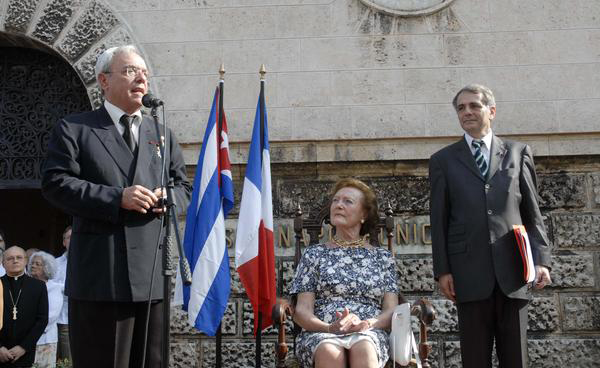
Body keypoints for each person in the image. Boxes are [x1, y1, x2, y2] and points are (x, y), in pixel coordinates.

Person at [41, 45, 192, 368]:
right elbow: (56, 184)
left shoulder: (161, 133)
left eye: (144, 73)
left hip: (151, 275)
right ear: (104, 80)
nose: (141, 78)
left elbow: (183, 188)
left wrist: (168, 196)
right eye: (130, 71)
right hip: (102, 276)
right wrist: (116, 198)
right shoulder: (76, 129)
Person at [429, 84, 552, 368]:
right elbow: (439, 219)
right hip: (468, 274)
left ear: (492, 111)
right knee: (474, 359)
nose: (467, 112)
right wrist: (443, 270)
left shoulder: (518, 152)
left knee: (516, 358)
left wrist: (542, 260)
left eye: (474, 106)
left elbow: (532, 212)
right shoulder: (443, 161)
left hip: (515, 270)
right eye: (461, 108)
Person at [289, 178, 399, 368]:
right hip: (321, 333)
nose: (338, 205)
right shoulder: (314, 254)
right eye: (335, 200)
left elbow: (391, 311)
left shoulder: (382, 257)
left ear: (364, 214)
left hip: (369, 331)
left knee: (364, 346)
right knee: (329, 351)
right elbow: (301, 312)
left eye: (348, 201)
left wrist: (367, 324)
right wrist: (330, 328)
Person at [0, 246, 48, 368]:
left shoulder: (38, 287)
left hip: (25, 352)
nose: (15, 261)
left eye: (19, 257)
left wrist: (24, 347)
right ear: (3, 263)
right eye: (10, 258)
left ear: (26, 261)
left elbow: (42, 320)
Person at [27, 251, 62, 368]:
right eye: (32, 263)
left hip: (45, 341)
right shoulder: (26, 285)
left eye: (38, 264)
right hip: (24, 340)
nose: (33, 266)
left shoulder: (54, 288)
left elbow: (50, 317)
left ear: (47, 268)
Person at [52, 226, 71, 363]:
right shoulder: (55, 263)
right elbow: (48, 285)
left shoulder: (86, 263)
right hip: (52, 319)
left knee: (67, 360)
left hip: (70, 320)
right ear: (64, 242)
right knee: (52, 359)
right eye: (69, 238)